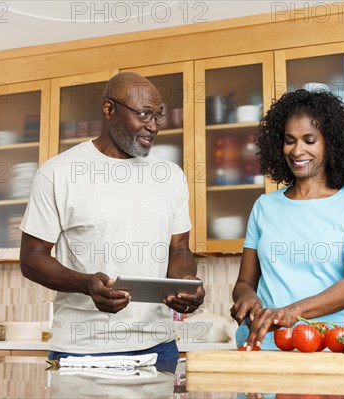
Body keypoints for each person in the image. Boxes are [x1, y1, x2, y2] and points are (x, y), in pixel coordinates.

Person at [19, 72, 205, 366]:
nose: (153, 127)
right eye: (144, 114)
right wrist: (85, 284)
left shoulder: (171, 176)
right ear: (109, 110)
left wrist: (184, 282)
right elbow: (32, 257)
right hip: (82, 350)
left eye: (158, 116)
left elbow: (180, 248)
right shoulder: (58, 173)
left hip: (158, 347)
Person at [231, 89, 344, 350]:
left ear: (330, 144)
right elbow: (244, 282)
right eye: (289, 140)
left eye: (309, 140)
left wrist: (291, 312)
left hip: (327, 345)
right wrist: (246, 298)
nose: (297, 150)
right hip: (261, 345)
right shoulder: (265, 205)